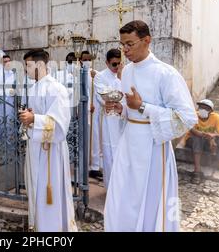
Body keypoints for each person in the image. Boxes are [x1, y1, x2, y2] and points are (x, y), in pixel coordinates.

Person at [103, 20, 198, 232]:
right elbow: (131, 110)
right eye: (122, 44)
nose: (125, 50)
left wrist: (143, 106)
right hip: (128, 145)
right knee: (122, 197)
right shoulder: (126, 72)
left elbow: (187, 117)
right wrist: (121, 109)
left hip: (152, 148)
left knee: (149, 203)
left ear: (146, 41)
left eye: (130, 44)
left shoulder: (166, 74)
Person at [19, 49, 78, 232]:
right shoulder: (33, 87)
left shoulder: (56, 88)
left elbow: (60, 124)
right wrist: (27, 117)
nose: (26, 70)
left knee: (48, 192)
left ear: (40, 65)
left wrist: (34, 119)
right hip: (34, 147)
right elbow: (32, 114)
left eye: (28, 66)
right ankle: (37, 225)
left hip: (49, 151)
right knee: (35, 188)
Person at [185, 99, 219, 192]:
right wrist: (209, 137)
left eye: (205, 108)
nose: (201, 109)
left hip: (207, 141)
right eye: (200, 107)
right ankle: (197, 172)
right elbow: (193, 131)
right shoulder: (193, 115)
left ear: (210, 111)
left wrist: (213, 135)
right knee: (197, 138)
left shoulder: (216, 117)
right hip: (192, 141)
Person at [93, 48, 124, 189]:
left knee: (121, 155)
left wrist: (121, 77)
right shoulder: (101, 76)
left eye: (119, 64)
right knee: (109, 153)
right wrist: (115, 97)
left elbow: (125, 96)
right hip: (108, 119)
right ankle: (111, 188)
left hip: (122, 119)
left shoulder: (122, 76)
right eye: (114, 64)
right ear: (107, 63)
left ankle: (121, 187)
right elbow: (104, 96)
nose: (117, 67)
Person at [80, 51, 102, 179]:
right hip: (85, 111)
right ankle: (86, 165)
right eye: (85, 59)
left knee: (95, 137)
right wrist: (88, 105)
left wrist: (95, 78)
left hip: (96, 111)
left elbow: (99, 90)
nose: (87, 61)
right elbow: (80, 92)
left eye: (89, 59)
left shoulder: (96, 74)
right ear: (81, 60)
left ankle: (95, 165)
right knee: (86, 137)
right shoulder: (78, 73)